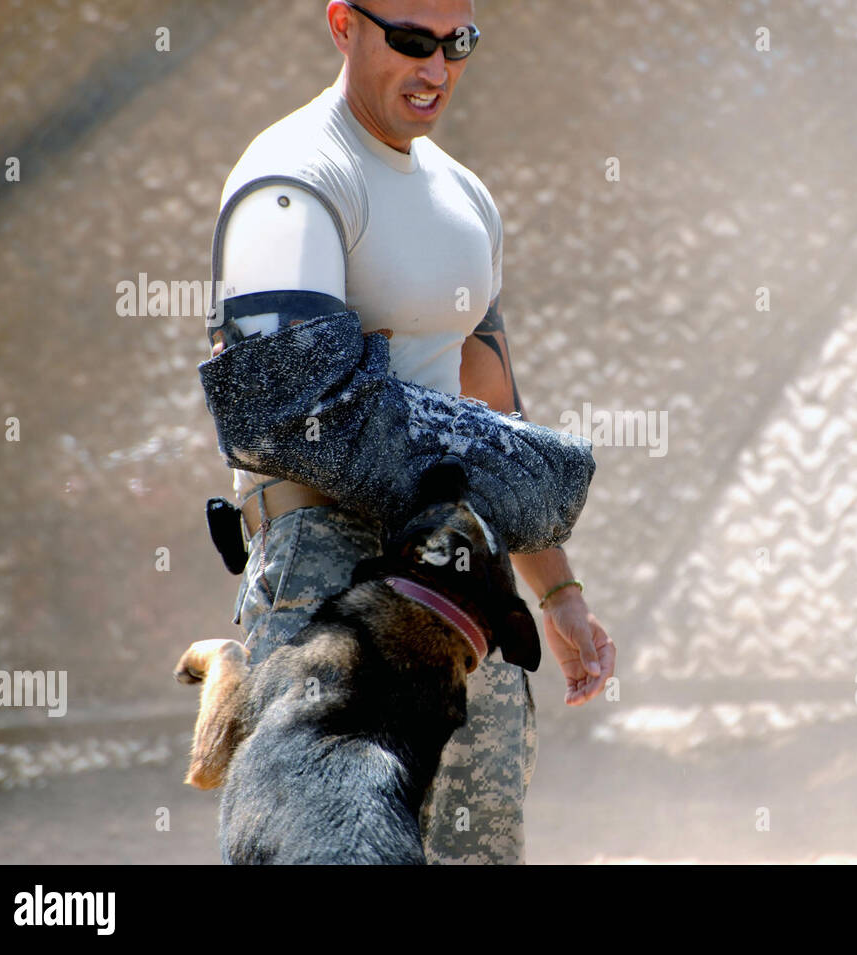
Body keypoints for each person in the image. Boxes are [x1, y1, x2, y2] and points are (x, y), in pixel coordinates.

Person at [204, 0, 614, 864]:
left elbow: (492, 404)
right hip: (325, 575)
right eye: (412, 42)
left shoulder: (463, 196)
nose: (437, 68)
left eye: (457, 43)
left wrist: (557, 589)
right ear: (343, 24)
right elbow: (289, 409)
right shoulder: (295, 176)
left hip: (459, 590)